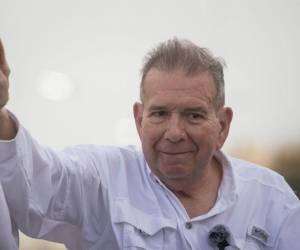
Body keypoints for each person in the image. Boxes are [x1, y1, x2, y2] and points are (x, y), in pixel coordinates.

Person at [0, 37, 299, 250]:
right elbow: (36, 182)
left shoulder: (272, 202)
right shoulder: (101, 180)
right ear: (139, 118)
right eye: (159, 114)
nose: (174, 132)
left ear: (222, 125)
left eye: (193, 115)